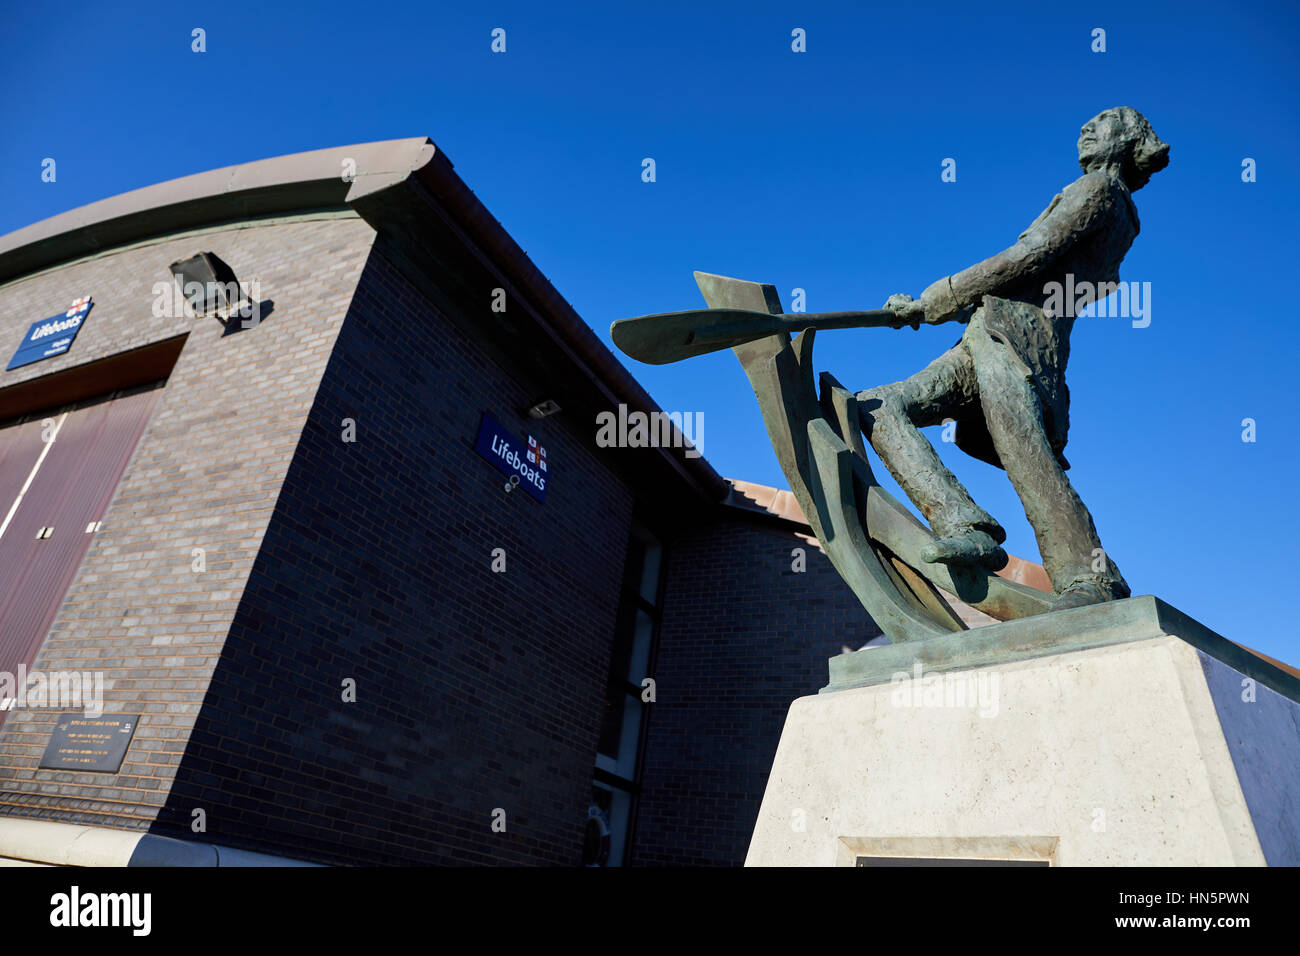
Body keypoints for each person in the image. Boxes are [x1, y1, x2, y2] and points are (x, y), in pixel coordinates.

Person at [858, 107, 1170, 609]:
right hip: (992, 334)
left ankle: (1091, 578)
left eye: (1105, 121)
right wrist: (946, 307)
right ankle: (965, 524)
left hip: (1017, 344)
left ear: (1131, 141)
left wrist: (936, 297)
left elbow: (1031, 255)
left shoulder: (1097, 191)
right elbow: (1037, 281)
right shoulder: (1119, 212)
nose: (1087, 127)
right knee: (875, 406)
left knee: (1030, 460)